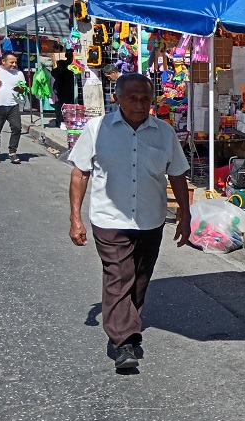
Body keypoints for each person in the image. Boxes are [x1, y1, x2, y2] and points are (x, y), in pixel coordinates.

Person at [68, 73, 192, 372]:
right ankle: (122, 341)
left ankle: (130, 327)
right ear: (117, 98)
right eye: (132, 98)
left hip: (150, 218)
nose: (139, 104)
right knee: (118, 276)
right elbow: (80, 173)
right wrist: (75, 218)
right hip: (109, 218)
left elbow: (177, 174)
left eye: (145, 99)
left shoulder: (164, 132)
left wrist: (185, 216)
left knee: (140, 277)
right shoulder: (97, 129)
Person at [0, 52, 28, 164]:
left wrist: (21, 89)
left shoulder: (19, 73)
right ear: (3, 61)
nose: (14, 64)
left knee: (17, 128)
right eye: (12, 62)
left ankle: (12, 152)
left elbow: (23, 88)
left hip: (13, 105)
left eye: (15, 62)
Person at [51, 58, 76, 128]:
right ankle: (61, 121)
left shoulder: (59, 71)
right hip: (64, 91)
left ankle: (61, 121)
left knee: (60, 106)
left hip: (62, 91)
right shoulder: (67, 72)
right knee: (62, 106)